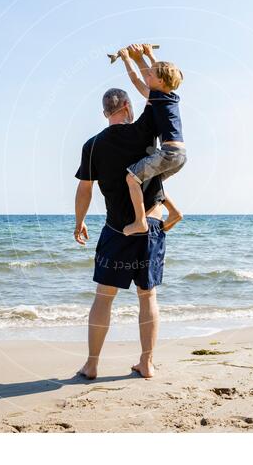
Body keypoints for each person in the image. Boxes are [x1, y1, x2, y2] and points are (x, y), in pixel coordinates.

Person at [73, 88, 168, 379]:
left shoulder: (93, 145)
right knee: (147, 296)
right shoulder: (144, 132)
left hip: (116, 229)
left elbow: (85, 188)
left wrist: (79, 222)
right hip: (149, 224)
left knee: (103, 297)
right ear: (127, 106)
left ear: (105, 113)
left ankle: (91, 365)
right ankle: (147, 363)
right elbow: (158, 98)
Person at [118, 43, 186, 236]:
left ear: (161, 82)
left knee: (132, 178)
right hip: (180, 155)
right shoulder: (169, 96)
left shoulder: (157, 96)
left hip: (168, 153)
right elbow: (157, 72)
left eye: (151, 75)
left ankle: (140, 222)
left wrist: (127, 59)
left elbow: (135, 80)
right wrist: (146, 55)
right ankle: (174, 213)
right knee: (153, 180)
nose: (147, 75)